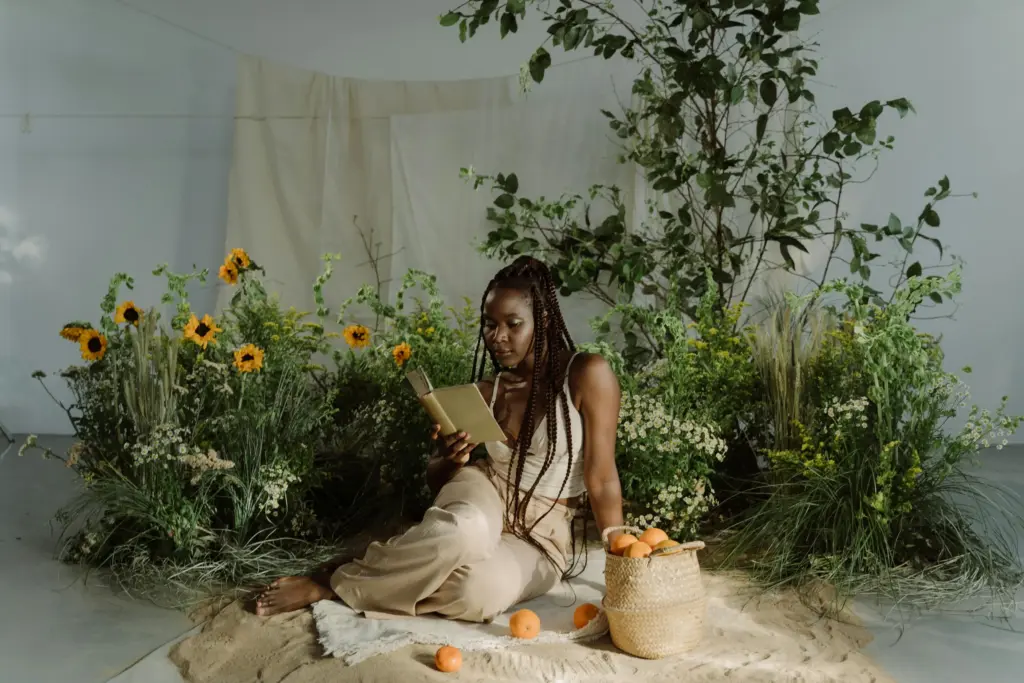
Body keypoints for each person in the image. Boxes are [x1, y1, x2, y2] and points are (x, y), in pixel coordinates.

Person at [255, 256, 624, 622]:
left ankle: (395, 560)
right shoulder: (488, 391)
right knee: (465, 530)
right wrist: (449, 458)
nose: (498, 337)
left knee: (474, 594)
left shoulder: (587, 374)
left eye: (513, 324)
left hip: (543, 533)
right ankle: (332, 582)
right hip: (485, 493)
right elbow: (438, 482)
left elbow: (603, 480)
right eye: (489, 324)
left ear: (543, 320)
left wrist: (620, 562)